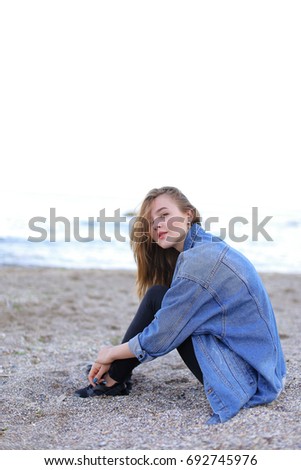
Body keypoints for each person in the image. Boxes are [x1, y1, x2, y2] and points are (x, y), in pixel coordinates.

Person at [75, 186, 286, 424]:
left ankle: (113, 379)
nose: (157, 226)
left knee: (166, 312)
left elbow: (161, 335)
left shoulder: (199, 261)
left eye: (164, 215)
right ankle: (116, 376)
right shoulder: (205, 246)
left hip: (246, 382)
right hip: (263, 371)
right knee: (159, 297)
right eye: (152, 223)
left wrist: (109, 352)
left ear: (188, 214)